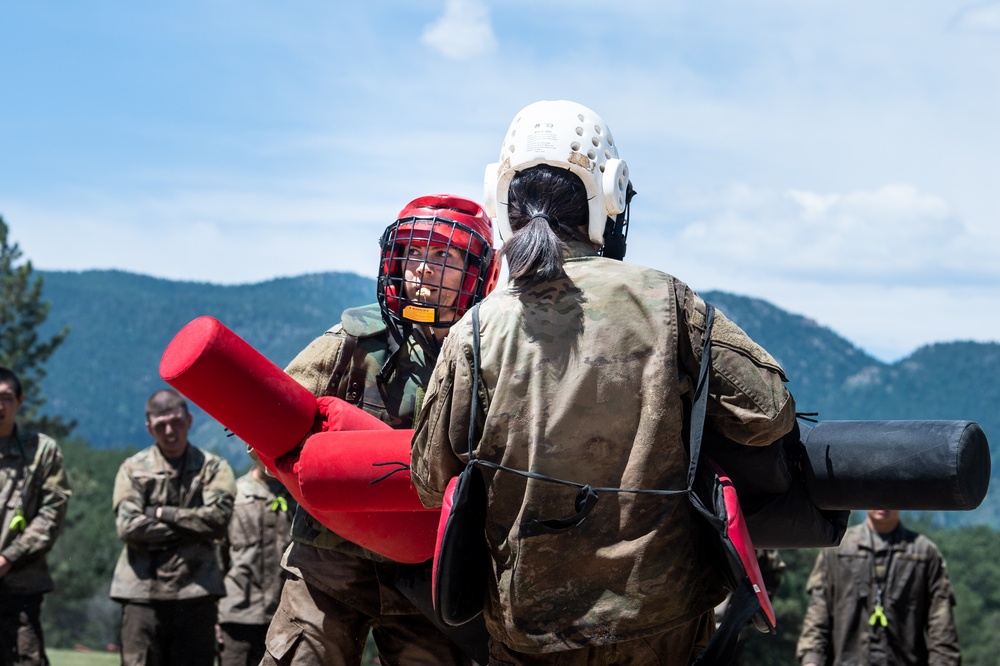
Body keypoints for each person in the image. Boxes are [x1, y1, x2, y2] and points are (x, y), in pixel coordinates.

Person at [410, 99, 797, 664]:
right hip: (660, 623)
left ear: (503, 199)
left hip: (531, 631)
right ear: (612, 195)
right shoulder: (666, 299)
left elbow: (429, 479)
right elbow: (770, 412)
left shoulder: (476, 329)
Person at [260, 195, 500, 666]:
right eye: (414, 254)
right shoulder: (352, 340)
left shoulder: (488, 355)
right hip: (330, 565)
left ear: (476, 271)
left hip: (428, 578)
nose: (422, 270)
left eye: (441, 257)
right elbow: (271, 425)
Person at [110, 388, 236, 666]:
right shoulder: (132, 469)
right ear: (149, 428)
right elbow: (129, 527)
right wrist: (193, 524)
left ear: (189, 420)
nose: (170, 431)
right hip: (142, 593)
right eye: (161, 425)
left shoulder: (213, 468)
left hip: (196, 592)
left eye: (176, 422)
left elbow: (218, 520)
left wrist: (159, 513)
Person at [796, 509, 961, 666]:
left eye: (891, 495)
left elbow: (941, 628)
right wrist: (812, 659)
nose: (883, 503)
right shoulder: (837, 550)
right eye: (877, 495)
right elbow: (817, 616)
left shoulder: (923, 554)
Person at [0, 367, 72, 666]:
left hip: (20, 585)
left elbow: (52, 512)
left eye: (5, 398)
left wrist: (8, 557)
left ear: (19, 401)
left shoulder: (41, 451)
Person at [217, 462, 297, 666]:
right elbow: (217, 559)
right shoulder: (234, 495)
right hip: (237, 616)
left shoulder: (298, 494)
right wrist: (213, 614)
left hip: (287, 618)